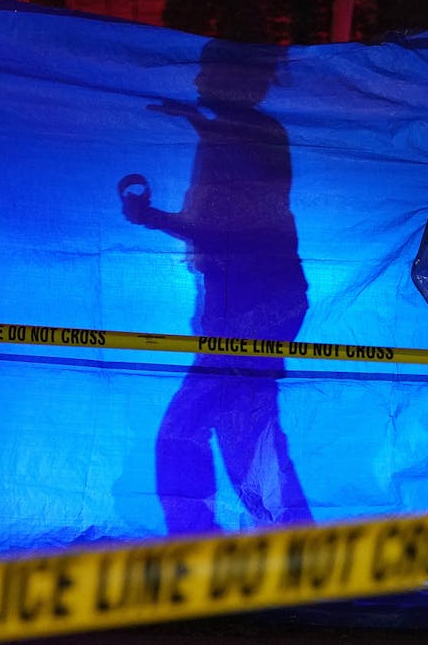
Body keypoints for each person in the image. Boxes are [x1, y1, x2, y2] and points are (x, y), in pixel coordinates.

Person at [120, 39, 313, 533]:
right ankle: (290, 547)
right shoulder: (246, 131)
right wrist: (198, 122)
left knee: (190, 432)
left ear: (235, 79)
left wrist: (152, 218)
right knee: (241, 432)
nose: (196, 81)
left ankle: (207, 545)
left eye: (207, 71)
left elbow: (228, 228)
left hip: (255, 308)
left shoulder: (247, 133)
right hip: (253, 304)